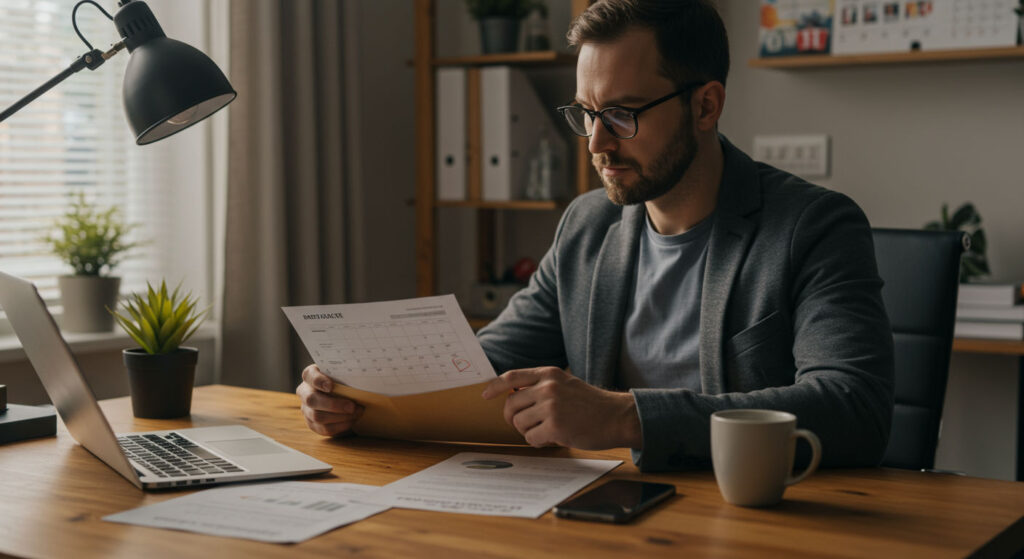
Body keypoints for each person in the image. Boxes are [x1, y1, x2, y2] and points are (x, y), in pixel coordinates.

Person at [297, 0, 894, 472]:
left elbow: (853, 408)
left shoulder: (814, 226)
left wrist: (625, 417)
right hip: (610, 510)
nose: (597, 144)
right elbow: (483, 369)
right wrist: (357, 393)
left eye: (622, 114)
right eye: (585, 113)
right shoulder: (589, 224)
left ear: (706, 106)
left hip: (762, 524)